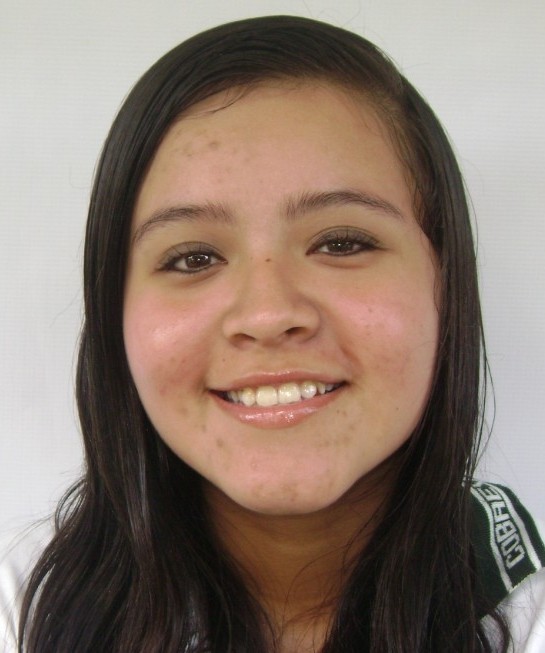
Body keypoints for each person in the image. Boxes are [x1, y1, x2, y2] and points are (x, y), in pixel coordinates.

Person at [1, 14, 544, 653]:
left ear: (445, 284)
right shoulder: (25, 608)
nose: (267, 314)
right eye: (193, 257)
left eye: (341, 243)